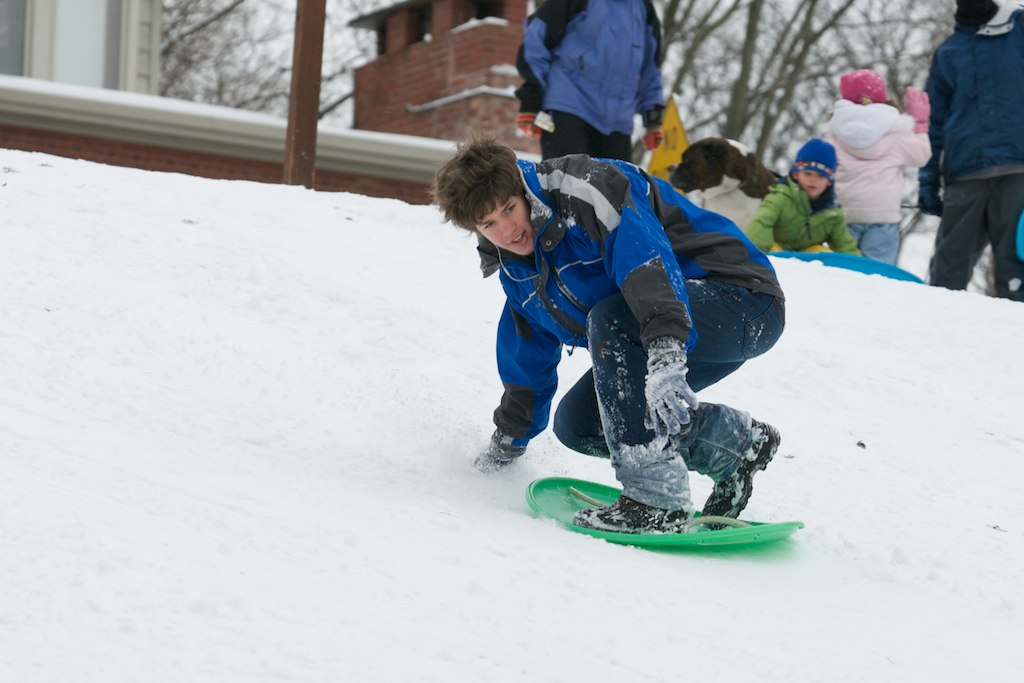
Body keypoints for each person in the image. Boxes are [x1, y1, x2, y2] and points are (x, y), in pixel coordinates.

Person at [431, 138, 786, 533]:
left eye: (509, 209)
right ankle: (736, 444)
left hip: (739, 298)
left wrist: (667, 350)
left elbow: (646, 265)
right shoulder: (520, 277)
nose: (508, 229)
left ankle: (656, 499)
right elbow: (526, 361)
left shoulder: (587, 188)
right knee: (579, 423)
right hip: (666, 330)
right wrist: (506, 444)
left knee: (612, 319)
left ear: (522, 189)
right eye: (488, 224)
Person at [918, 0, 1024, 301]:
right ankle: (936, 336)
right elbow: (932, 121)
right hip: (965, 172)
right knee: (946, 274)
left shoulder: (1019, 30)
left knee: (1017, 271)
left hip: (1019, 168)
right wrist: (928, 180)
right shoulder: (950, 51)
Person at [514, 0, 665, 161]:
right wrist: (531, 97)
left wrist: (653, 119)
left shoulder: (643, 8)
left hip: (618, 122)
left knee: (617, 185)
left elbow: (651, 68)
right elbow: (536, 40)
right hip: (569, 105)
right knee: (567, 182)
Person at [826, 69, 932, 265]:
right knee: (878, 273)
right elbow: (921, 156)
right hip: (883, 214)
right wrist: (920, 124)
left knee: (840, 271)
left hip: (843, 214)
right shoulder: (897, 131)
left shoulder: (835, 132)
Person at [744, 138, 861, 256]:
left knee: (824, 253)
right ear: (796, 174)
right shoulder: (780, 197)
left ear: (829, 181)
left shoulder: (833, 213)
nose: (813, 179)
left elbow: (844, 244)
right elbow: (760, 224)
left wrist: (859, 268)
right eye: (807, 173)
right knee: (770, 245)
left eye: (820, 176)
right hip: (776, 251)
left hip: (806, 258)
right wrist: (758, 254)